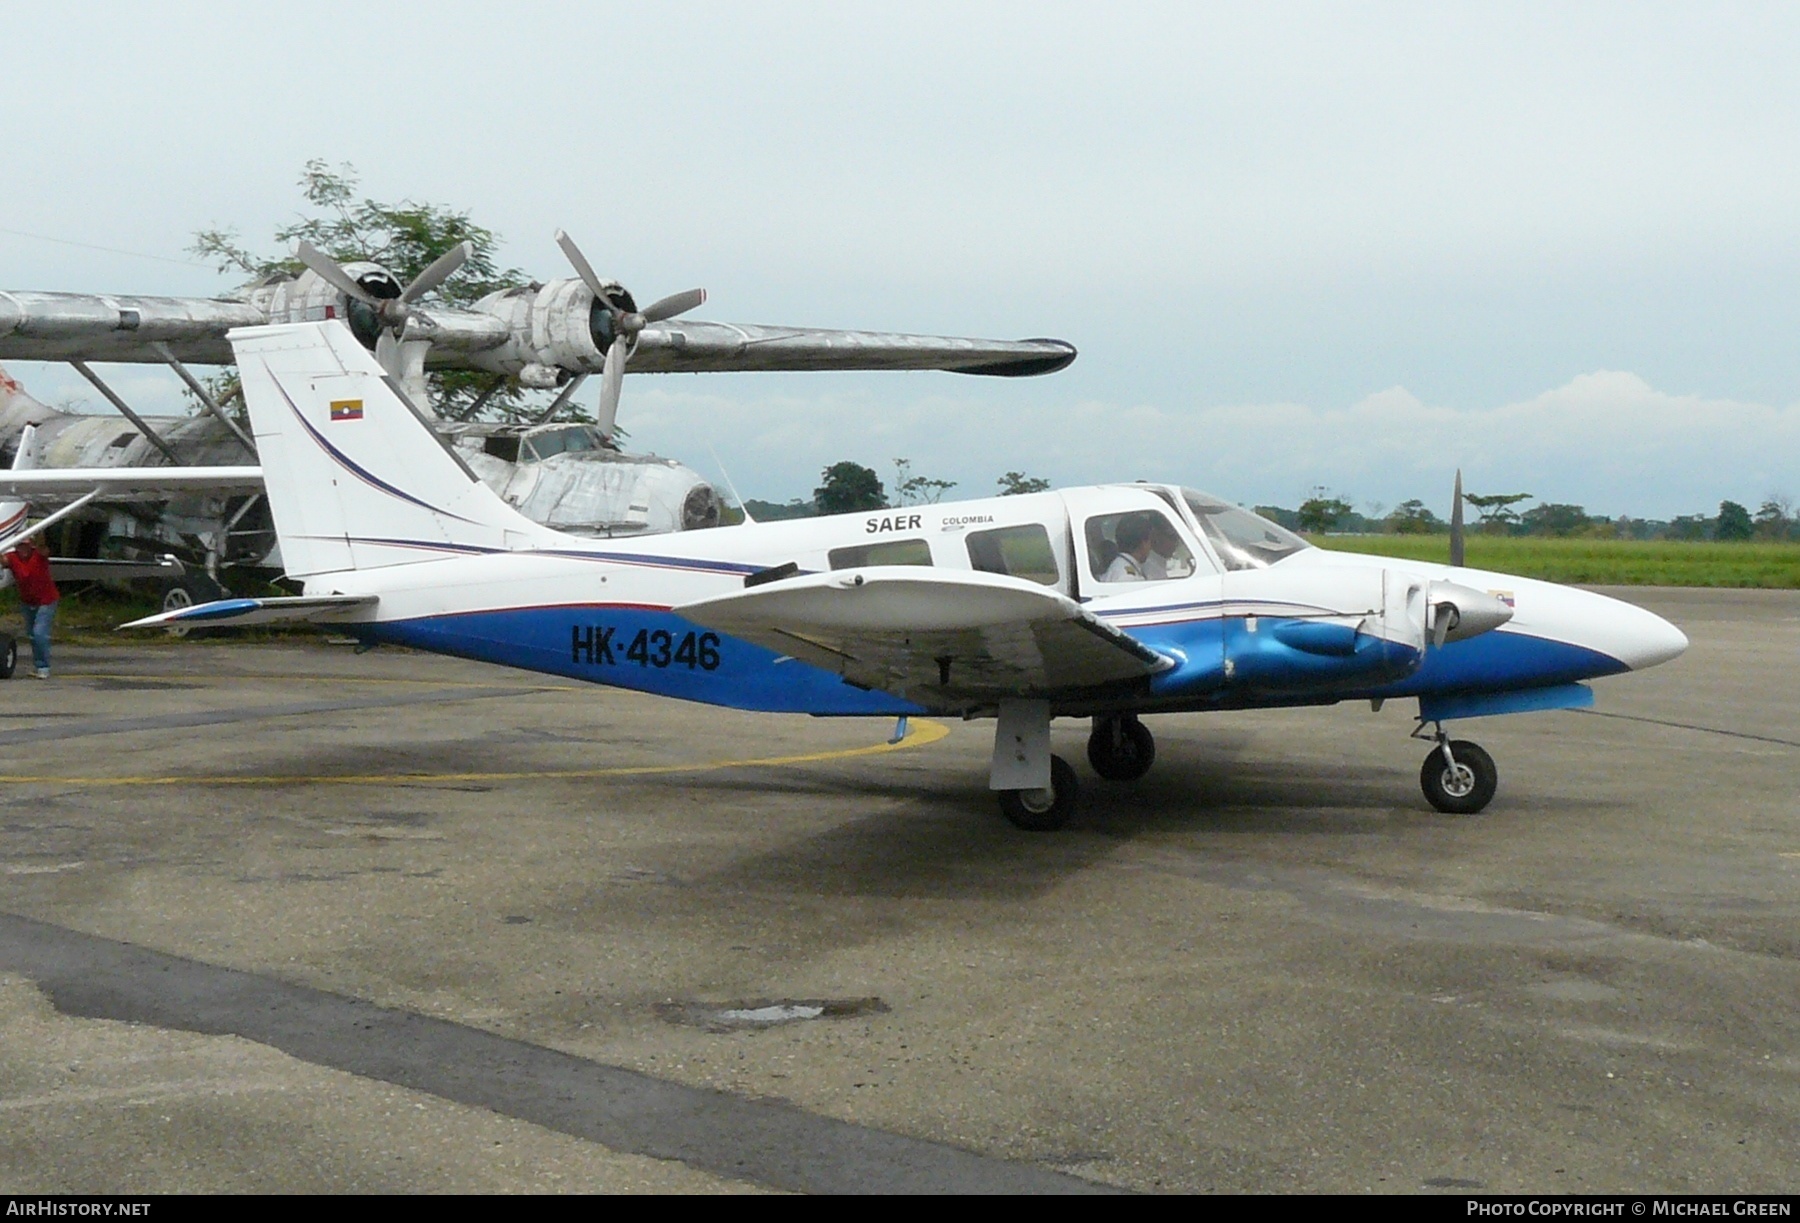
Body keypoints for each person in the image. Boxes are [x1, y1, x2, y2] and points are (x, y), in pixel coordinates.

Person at [2, 536, 59, 678]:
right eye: (20, 545)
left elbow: (44, 550)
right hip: (27, 602)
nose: (24, 548)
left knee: (39, 633)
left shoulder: (39, 555)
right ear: (16, 546)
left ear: (31, 546)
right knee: (33, 635)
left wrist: (40, 535)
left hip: (46, 600)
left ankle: (43, 667)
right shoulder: (12, 557)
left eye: (26, 545)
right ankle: (38, 665)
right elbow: (3, 560)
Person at [1103, 514, 1155, 582]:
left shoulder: (1120, 565)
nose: (1150, 547)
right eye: (1150, 541)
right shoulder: (1127, 577)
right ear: (1143, 543)